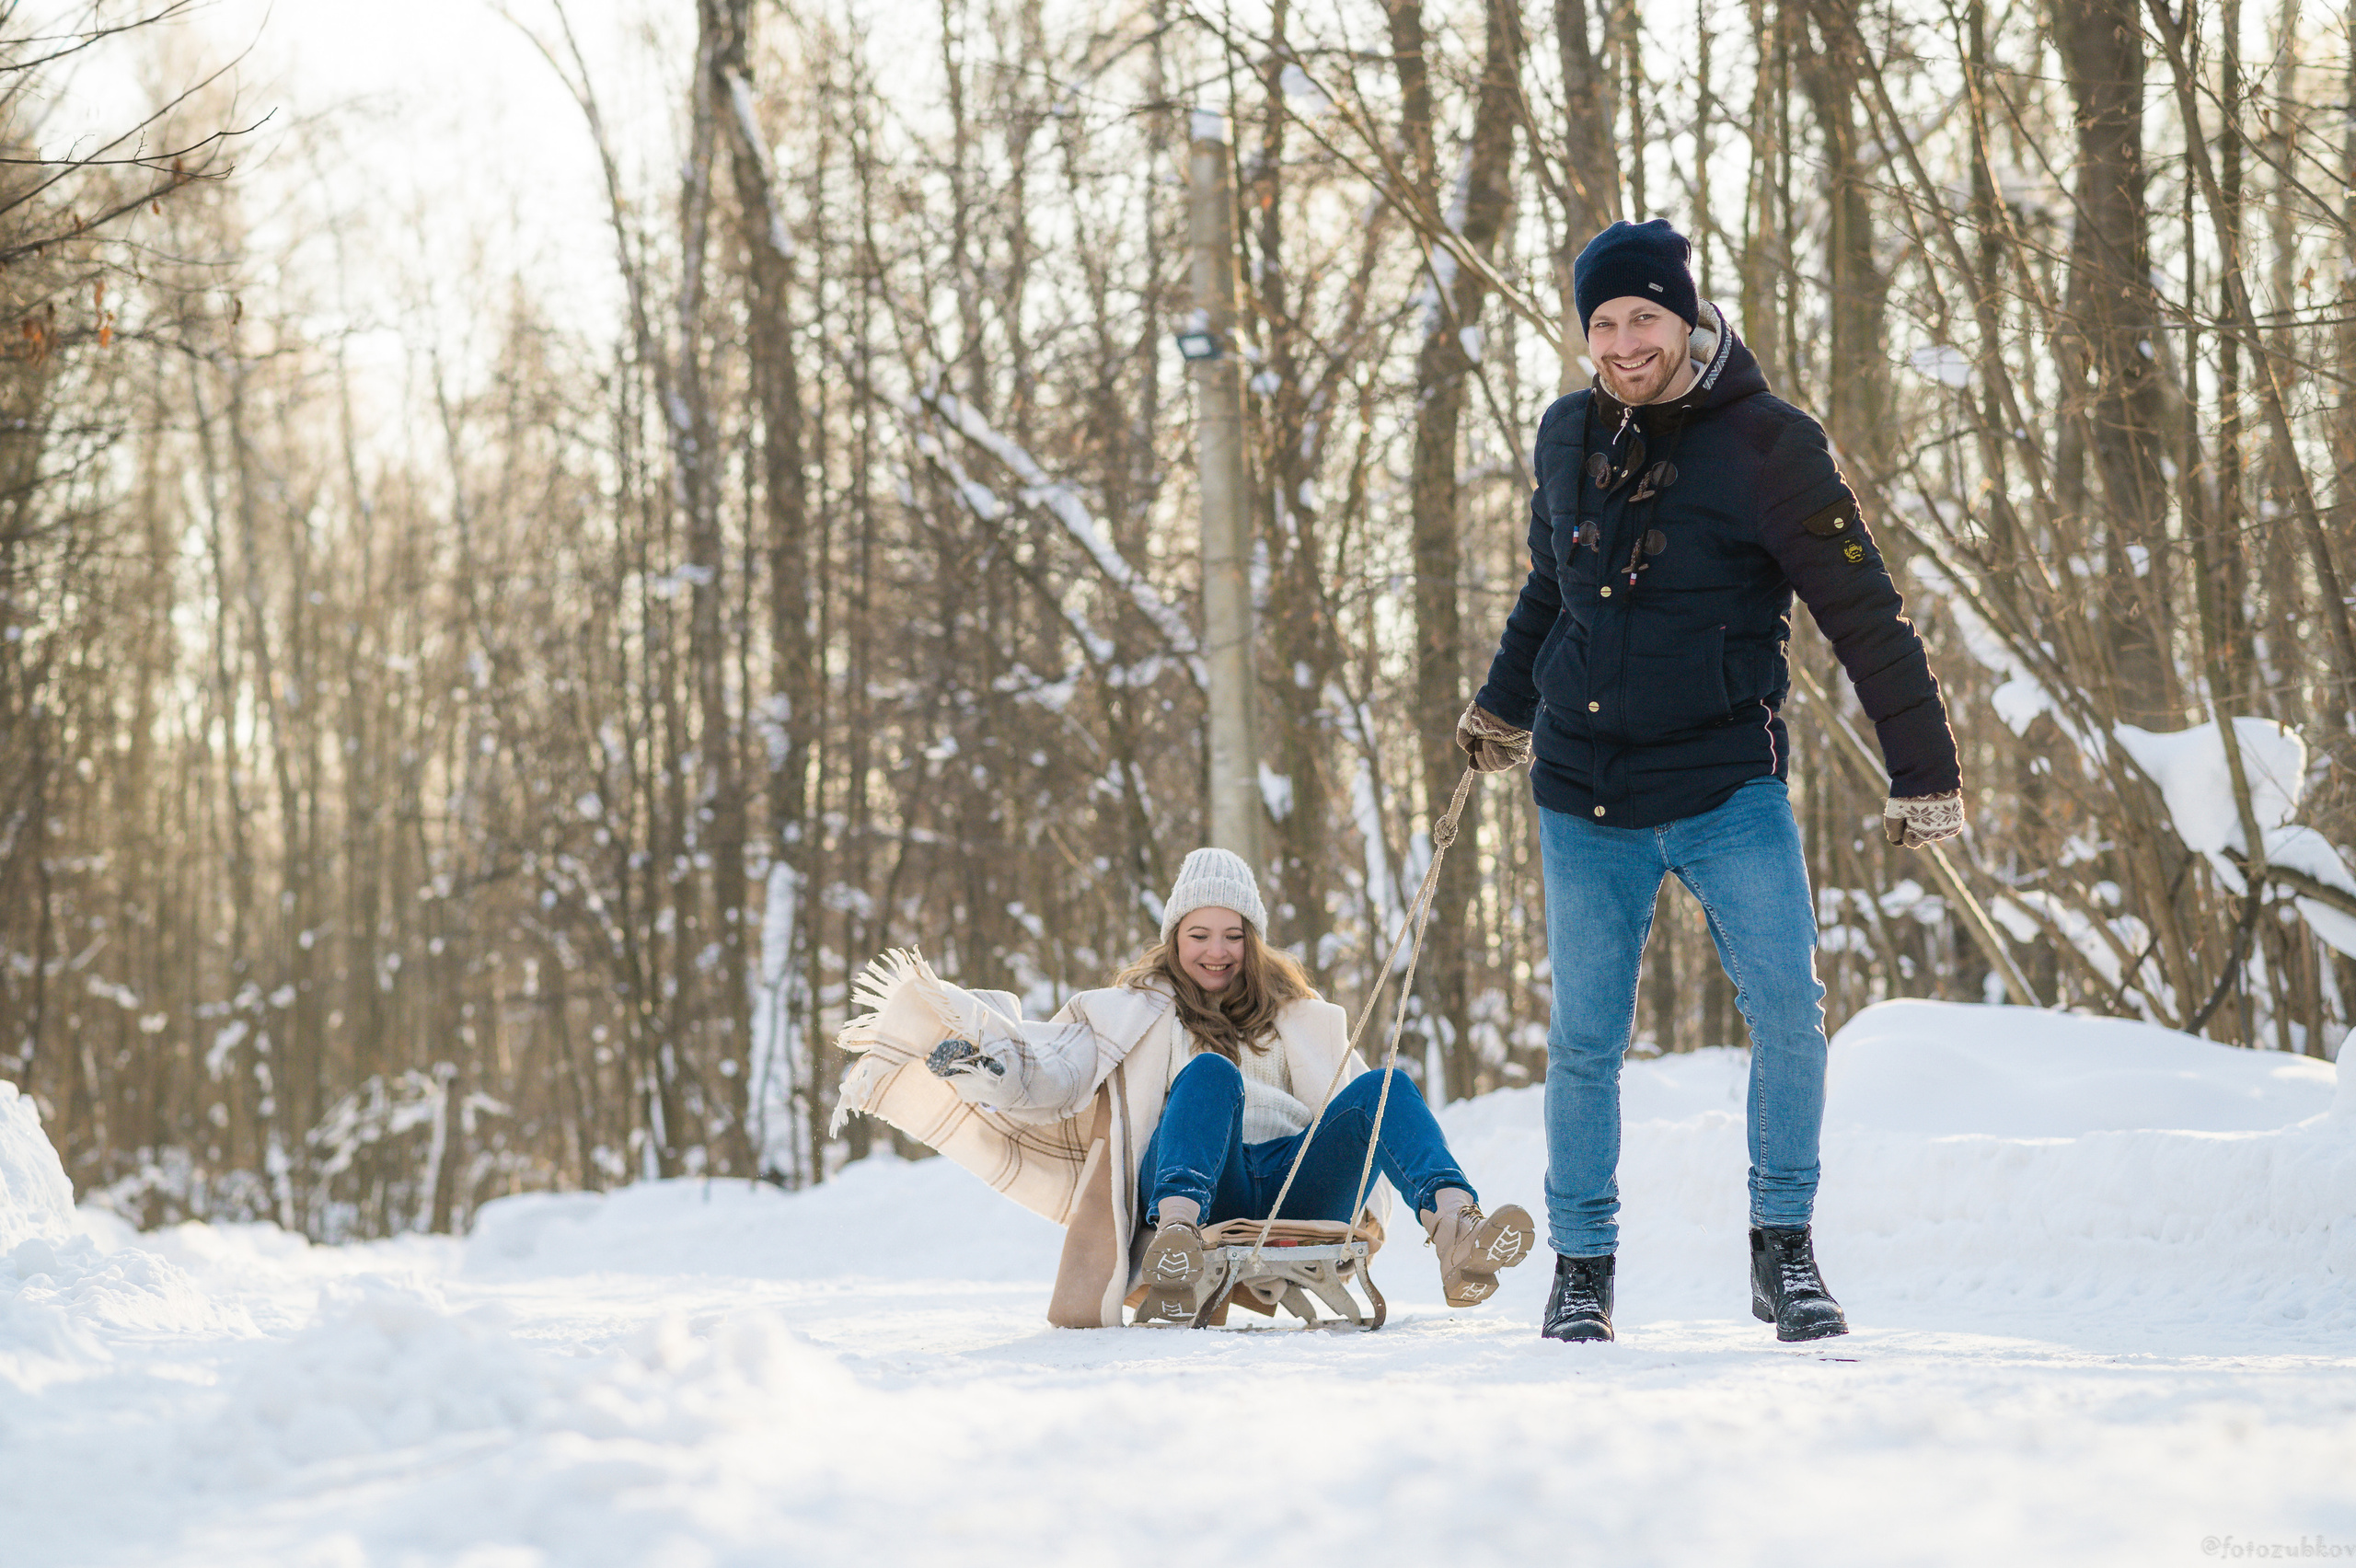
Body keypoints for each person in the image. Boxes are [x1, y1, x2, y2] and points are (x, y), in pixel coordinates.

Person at [1458, 218, 1964, 1345]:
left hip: (1726, 783)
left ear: (1686, 319)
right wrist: (1503, 707)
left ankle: (1782, 1253)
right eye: (1602, 321)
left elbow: (1864, 612)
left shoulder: (1769, 445)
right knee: (1585, 1040)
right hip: (1583, 792)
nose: (1624, 340)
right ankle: (1581, 1268)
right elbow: (1552, 591)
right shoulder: (1564, 433)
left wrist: (1920, 766)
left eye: (1644, 316)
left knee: (1788, 1011)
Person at [833, 847, 1535, 1327]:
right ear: (1174, 936)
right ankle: (1175, 1248)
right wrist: (988, 1063)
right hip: (1202, 1183)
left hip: (1297, 1177)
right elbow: (1053, 1073)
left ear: (1253, 940)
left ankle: (1456, 1233)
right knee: (1207, 1073)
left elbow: (1364, 1120)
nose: (1217, 951)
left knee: (1384, 1086)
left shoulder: (1299, 1015)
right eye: (1200, 933)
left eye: (1233, 934)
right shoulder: (1135, 1010)